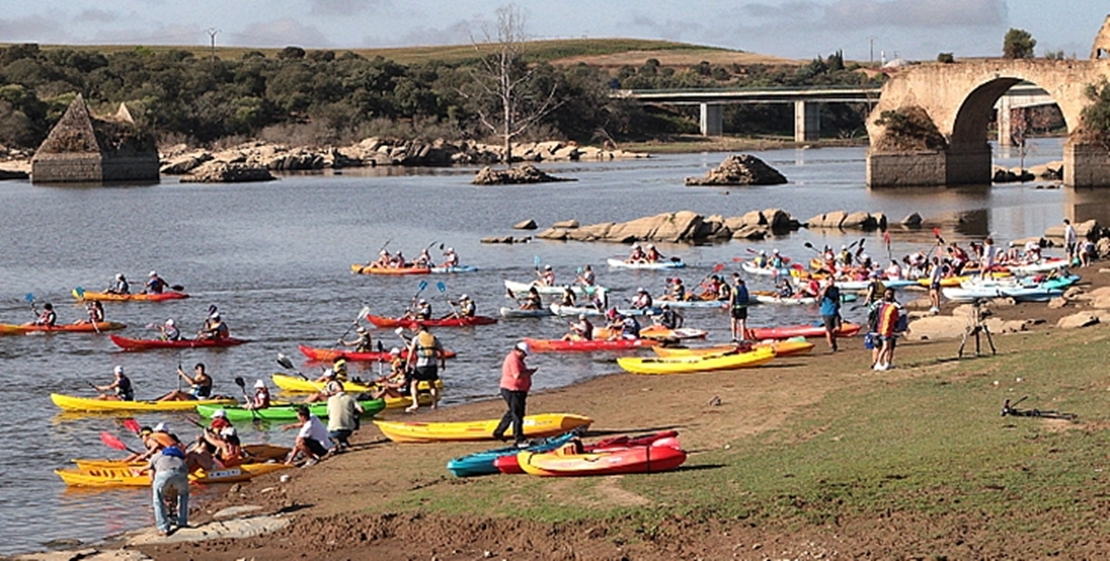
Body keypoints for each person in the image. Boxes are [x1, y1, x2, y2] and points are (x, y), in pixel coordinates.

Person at [492, 342, 537, 447]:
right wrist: (530, 372)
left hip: (517, 390)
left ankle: (499, 432)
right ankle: (519, 438)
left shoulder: (517, 359)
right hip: (513, 390)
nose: (525, 356)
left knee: (513, 411)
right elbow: (517, 375)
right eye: (524, 354)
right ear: (519, 351)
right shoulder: (513, 359)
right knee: (517, 414)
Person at [148, 444, 190, 536]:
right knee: (183, 495)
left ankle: (163, 528)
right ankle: (182, 522)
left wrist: (154, 485)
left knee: (158, 500)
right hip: (181, 472)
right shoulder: (180, 457)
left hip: (164, 473)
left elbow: (151, 474)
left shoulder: (156, 456)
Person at [404, 324, 444, 412]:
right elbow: (441, 351)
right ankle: (434, 404)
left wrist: (407, 364)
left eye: (414, 328)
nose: (413, 330)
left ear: (419, 328)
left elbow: (411, 352)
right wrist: (443, 363)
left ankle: (415, 404)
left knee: (414, 383)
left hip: (421, 365)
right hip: (433, 365)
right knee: (432, 384)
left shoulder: (416, 338)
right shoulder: (433, 338)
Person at [326, 381, 364, 453]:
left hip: (334, 430)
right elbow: (361, 410)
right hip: (349, 429)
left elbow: (328, 414)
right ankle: (343, 442)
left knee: (326, 432)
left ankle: (335, 445)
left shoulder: (330, 400)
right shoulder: (351, 398)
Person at [872, 288, 902, 371]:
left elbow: (899, 315)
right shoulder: (880, 304)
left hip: (888, 329)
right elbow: (872, 313)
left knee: (889, 347)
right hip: (883, 329)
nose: (889, 295)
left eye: (890, 293)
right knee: (883, 347)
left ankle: (887, 363)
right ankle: (877, 363)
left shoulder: (894, 305)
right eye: (888, 293)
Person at [818, 278, 842, 353]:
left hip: (835, 311)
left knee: (838, 328)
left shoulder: (836, 289)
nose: (831, 282)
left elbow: (837, 299)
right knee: (828, 331)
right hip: (826, 313)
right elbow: (821, 296)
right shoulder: (824, 290)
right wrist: (826, 287)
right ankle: (831, 345)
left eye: (832, 281)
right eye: (830, 281)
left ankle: (832, 337)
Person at [728, 273, 750, 342]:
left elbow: (731, 299)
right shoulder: (745, 288)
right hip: (743, 307)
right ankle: (742, 337)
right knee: (742, 322)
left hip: (736, 307)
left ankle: (734, 337)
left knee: (733, 321)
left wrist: (730, 308)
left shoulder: (734, 289)